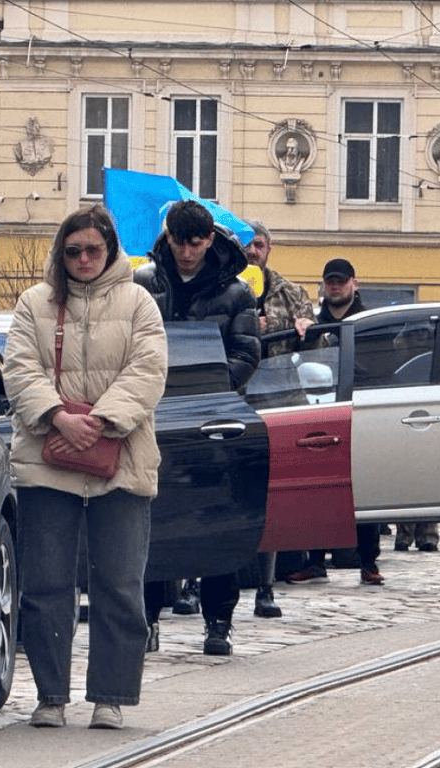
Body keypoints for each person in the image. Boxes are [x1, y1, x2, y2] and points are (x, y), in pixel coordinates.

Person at [2, 206, 168, 730]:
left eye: (93, 249)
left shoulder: (140, 302)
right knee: (46, 584)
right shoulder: (35, 303)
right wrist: (56, 417)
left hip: (123, 459)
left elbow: (148, 369)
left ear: (111, 249)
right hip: (46, 462)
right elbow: (19, 368)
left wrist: (101, 421)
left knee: (119, 583)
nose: (83, 260)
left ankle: (110, 697)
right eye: (73, 251)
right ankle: (51, 696)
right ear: (61, 254)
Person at [133, 200, 265, 656]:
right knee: (148, 523)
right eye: (178, 242)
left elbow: (247, 355)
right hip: (152, 414)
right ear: (167, 238)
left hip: (214, 419)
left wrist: (207, 386)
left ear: (210, 239)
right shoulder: (144, 283)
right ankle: (146, 618)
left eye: (195, 242)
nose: (187, 252)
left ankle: (219, 621)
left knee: (217, 521)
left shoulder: (236, 293)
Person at [284, 258, 386, 586]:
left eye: (341, 281)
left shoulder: (369, 322)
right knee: (320, 487)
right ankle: (315, 560)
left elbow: (378, 369)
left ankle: (369, 562)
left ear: (354, 283)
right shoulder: (312, 323)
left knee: (363, 486)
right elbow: (298, 362)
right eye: (330, 281)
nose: (335, 286)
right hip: (321, 410)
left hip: (360, 410)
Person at [243, 221, 315, 357]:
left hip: (279, 375)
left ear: (269, 248)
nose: (251, 251)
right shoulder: (220, 290)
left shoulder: (293, 294)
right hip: (234, 376)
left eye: (258, 245)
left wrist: (310, 332)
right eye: (245, 244)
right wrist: (246, 326)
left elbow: (317, 351)